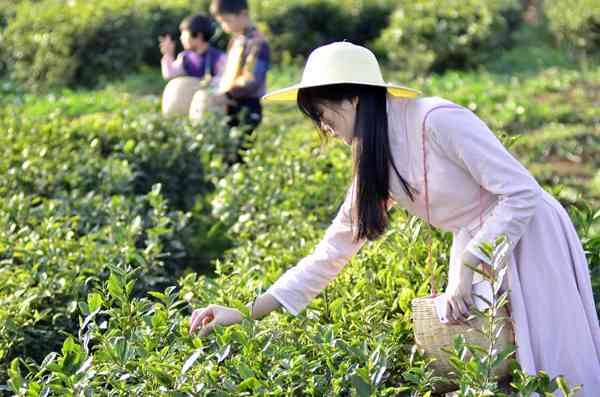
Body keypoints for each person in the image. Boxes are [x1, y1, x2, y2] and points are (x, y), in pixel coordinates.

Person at [188, 42, 600, 394]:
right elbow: (330, 252)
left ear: (353, 98)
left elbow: (521, 192)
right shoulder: (374, 157)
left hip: (527, 236)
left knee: (551, 360)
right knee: (498, 365)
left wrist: (471, 263)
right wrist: (244, 311)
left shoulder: (439, 120)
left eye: (322, 112)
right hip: (479, 249)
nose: (323, 127)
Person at [208, 0, 271, 141]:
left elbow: (252, 79)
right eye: (221, 22)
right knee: (227, 147)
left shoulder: (258, 43)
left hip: (248, 104)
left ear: (243, 14)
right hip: (230, 102)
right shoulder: (236, 40)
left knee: (242, 147)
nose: (224, 27)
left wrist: (228, 95)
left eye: (227, 21)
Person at [159, 13, 225, 84]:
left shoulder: (219, 58)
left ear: (199, 36)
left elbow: (225, 81)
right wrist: (168, 54)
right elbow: (170, 75)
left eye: (184, 34)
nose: (181, 38)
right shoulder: (185, 57)